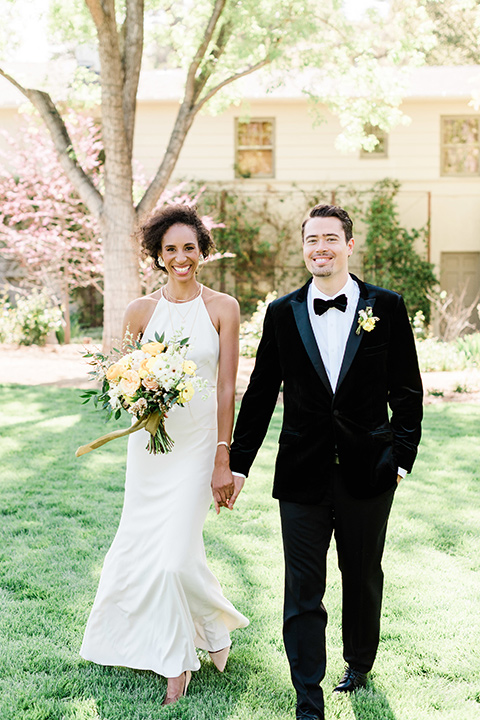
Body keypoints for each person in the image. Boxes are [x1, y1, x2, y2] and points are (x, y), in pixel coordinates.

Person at [219, 204, 423, 720]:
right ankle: (308, 699)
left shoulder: (387, 307)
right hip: (302, 474)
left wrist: (400, 459)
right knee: (303, 588)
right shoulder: (282, 313)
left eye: (331, 239)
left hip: (370, 472)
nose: (321, 248)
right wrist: (238, 464)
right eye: (312, 240)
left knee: (360, 575)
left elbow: (408, 391)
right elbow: (262, 392)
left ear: (349, 246)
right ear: (304, 247)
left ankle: (359, 662)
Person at [80, 204, 248, 705]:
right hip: (150, 451)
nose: (180, 257)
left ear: (202, 252)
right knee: (146, 547)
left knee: (174, 557)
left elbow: (225, 388)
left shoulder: (224, 308)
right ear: (157, 254)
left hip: (199, 449)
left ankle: (181, 660)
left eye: (189, 248)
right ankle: (211, 636)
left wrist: (224, 455)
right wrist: (137, 394)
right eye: (170, 249)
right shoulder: (138, 313)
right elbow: (121, 382)